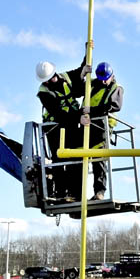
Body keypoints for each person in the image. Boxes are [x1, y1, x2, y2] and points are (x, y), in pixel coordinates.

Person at [35, 54, 92, 202]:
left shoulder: (64, 77)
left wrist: (87, 52)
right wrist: (79, 116)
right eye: (47, 80)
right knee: (59, 160)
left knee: (76, 158)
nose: (50, 81)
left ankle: (75, 193)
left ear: (55, 73)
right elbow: (58, 113)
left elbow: (80, 71)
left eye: (52, 77)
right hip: (55, 128)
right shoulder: (43, 93)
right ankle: (61, 193)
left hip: (72, 125)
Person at [83, 61, 124, 200]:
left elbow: (114, 106)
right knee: (79, 157)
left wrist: (91, 111)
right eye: (101, 79)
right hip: (87, 125)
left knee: (99, 159)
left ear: (111, 76)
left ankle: (99, 192)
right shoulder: (93, 84)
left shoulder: (116, 88)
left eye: (106, 79)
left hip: (103, 127)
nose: (104, 81)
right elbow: (77, 88)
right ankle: (76, 193)